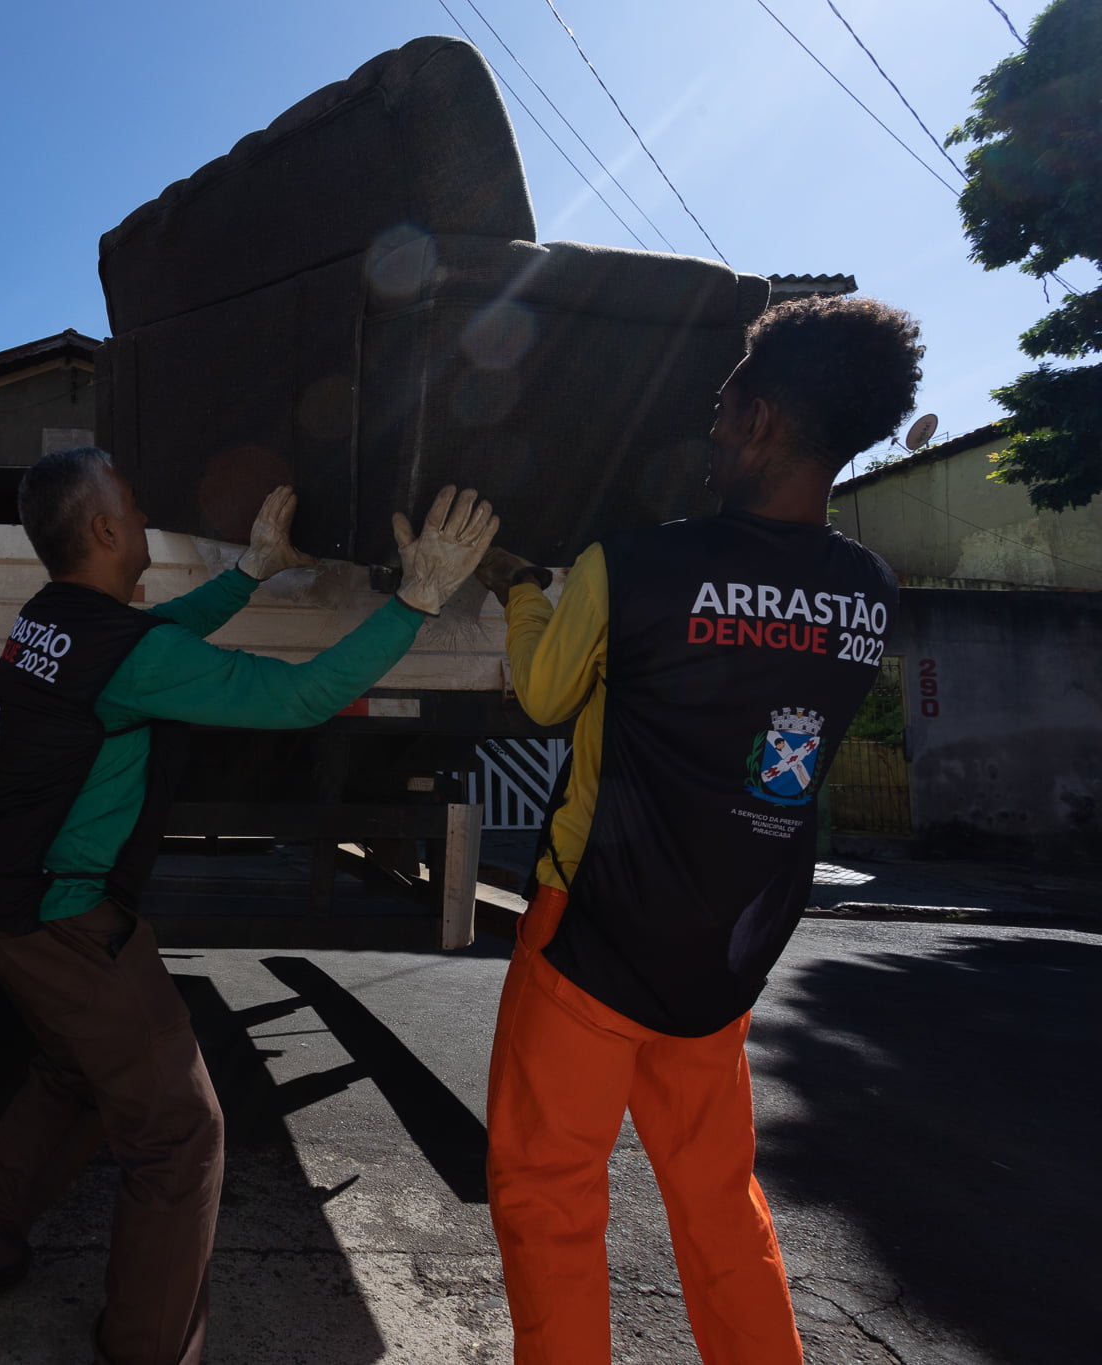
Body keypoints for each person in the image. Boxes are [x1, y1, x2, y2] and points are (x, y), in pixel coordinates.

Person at [0, 446, 498, 1365]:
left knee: (74, 1079)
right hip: (68, 925)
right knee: (183, 1136)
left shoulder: (52, 619)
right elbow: (302, 695)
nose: (145, 516)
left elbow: (164, 639)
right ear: (107, 530)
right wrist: (415, 601)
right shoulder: (123, 651)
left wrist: (254, 573)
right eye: (135, 503)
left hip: (6, 905)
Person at [474, 294, 924, 1364]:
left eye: (723, 407)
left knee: (547, 1194)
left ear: (762, 419)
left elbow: (540, 697)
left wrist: (519, 594)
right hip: (722, 955)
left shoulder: (630, 566)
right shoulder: (867, 594)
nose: (711, 427)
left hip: (586, 940)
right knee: (719, 1203)